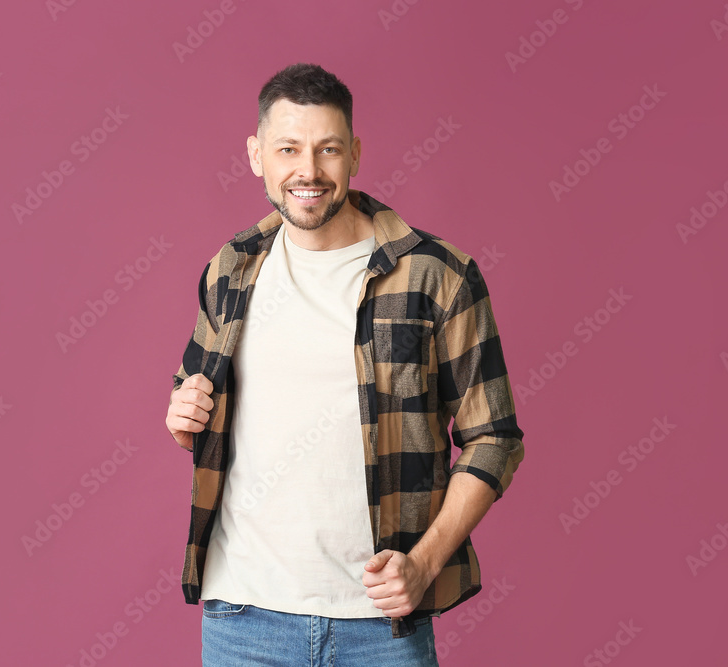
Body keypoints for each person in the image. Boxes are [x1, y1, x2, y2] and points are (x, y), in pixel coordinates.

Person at [166, 62, 525, 666]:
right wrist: (183, 419)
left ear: (354, 154)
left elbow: (495, 438)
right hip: (243, 619)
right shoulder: (230, 268)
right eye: (288, 149)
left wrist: (424, 563)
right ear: (256, 155)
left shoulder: (436, 275)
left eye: (327, 149)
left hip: (380, 628)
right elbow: (194, 406)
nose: (307, 171)